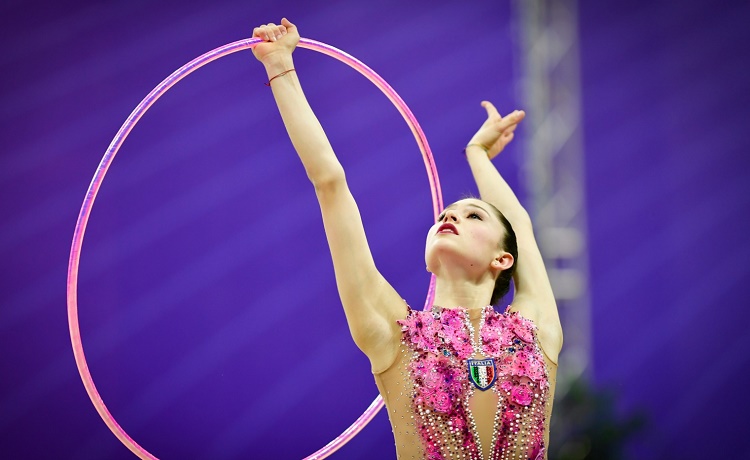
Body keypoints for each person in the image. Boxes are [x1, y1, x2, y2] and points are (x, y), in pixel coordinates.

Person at [251, 18, 563, 460]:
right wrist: (281, 67)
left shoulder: (537, 328)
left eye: (472, 215)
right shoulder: (391, 334)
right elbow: (330, 183)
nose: (450, 217)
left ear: (503, 259)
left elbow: (520, 225)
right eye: (444, 215)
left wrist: (478, 155)